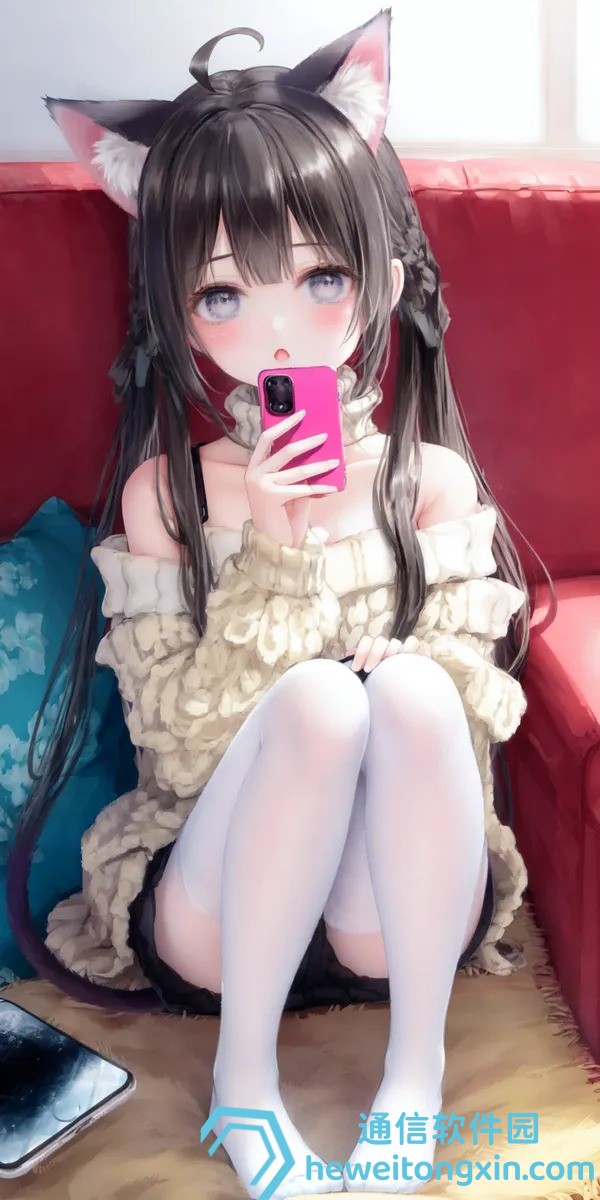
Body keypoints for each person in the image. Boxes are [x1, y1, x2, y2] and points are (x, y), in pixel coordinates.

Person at [8, 11, 532, 1196]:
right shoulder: (171, 494)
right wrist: (277, 549)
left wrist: (387, 663)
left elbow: (464, 744)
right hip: (217, 910)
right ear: (176, 310)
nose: (278, 327)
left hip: (386, 918)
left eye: (321, 278)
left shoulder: (429, 483)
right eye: (223, 295)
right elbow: (180, 755)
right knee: (318, 705)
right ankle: (244, 1088)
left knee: (409, 691)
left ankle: (414, 1076)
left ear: (382, 277)